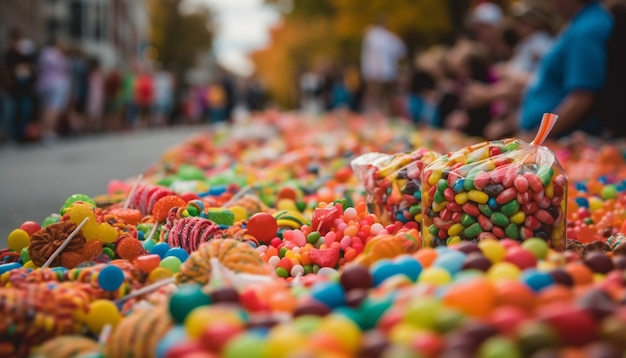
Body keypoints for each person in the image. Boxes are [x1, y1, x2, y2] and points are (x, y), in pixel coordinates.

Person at [518, 0, 613, 138]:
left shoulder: (586, 30)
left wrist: (535, 137)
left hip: (568, 140)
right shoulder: (582, 24)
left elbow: (582, 96)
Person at [465, 1, 555, 139]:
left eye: (523, 21)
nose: (517, 26)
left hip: (540, 128)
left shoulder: (540, 43)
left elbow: (536, 84)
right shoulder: (526, 45)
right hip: (523, 124)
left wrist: (487, 94)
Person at [360, 15, 407, 116]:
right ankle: (379, 119)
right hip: (381, 73)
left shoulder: (379, 36)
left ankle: (380, 119)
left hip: (382, 73)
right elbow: (402, 51)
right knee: (379, 99)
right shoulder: (376, 36)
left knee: (383, 99)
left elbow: (401, 51)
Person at [2, 28, 37, 142]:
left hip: (25, 90)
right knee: (9, 113)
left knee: (24, 111)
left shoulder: (28, 54)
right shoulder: (8, 55)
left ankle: (19, 136)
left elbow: (34, 70)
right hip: (11, 89)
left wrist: (28, 68)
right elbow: (4, 72)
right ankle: (10, 136)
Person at [36, 36, 71, 143]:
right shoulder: (58, 55)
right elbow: (63, 71)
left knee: (44, 109)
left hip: (43, 84)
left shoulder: (44, 53)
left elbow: (39, 68)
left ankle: (43, 132)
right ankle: (49, 132)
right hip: (57, 85)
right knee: (53, 110)